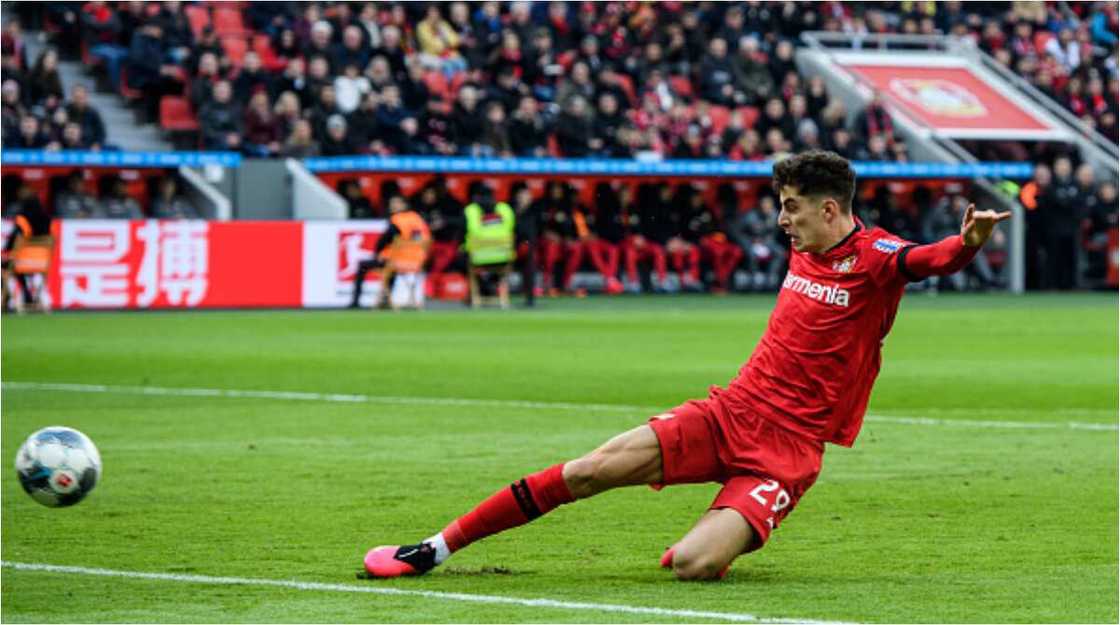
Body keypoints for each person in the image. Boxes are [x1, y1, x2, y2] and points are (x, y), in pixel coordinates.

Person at [361, 151, 1010, 580]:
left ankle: (714, 531)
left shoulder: (876, 257)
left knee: (694, 567)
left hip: (786, 451)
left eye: (791, 206)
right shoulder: (805, 247)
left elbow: (931, 260)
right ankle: (433, 548)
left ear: (830, 209)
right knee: (589, 469)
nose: (782, 218)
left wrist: (969, 241)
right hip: (730, 410)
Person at [349, 194, 432, 311]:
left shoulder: (397, 220)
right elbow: (426, 239)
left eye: (396, 203)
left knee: (364, 265)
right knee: (389, 268)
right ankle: (386, 300)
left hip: (397, 262)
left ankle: (355, 302)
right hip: (416, 264)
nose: (392, 206)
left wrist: (377, 253)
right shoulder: (417, 219)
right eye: (392, 203)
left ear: (404, 205)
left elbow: (384, 240)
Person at [463, 184, 515, 309]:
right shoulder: (505, 209)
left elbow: (468, 231)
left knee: (462, 255)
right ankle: (492, 287)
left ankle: (477, 294)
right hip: (503, 258)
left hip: (478, 259)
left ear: (476, 198)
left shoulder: (471, 210)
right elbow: (512, 229)